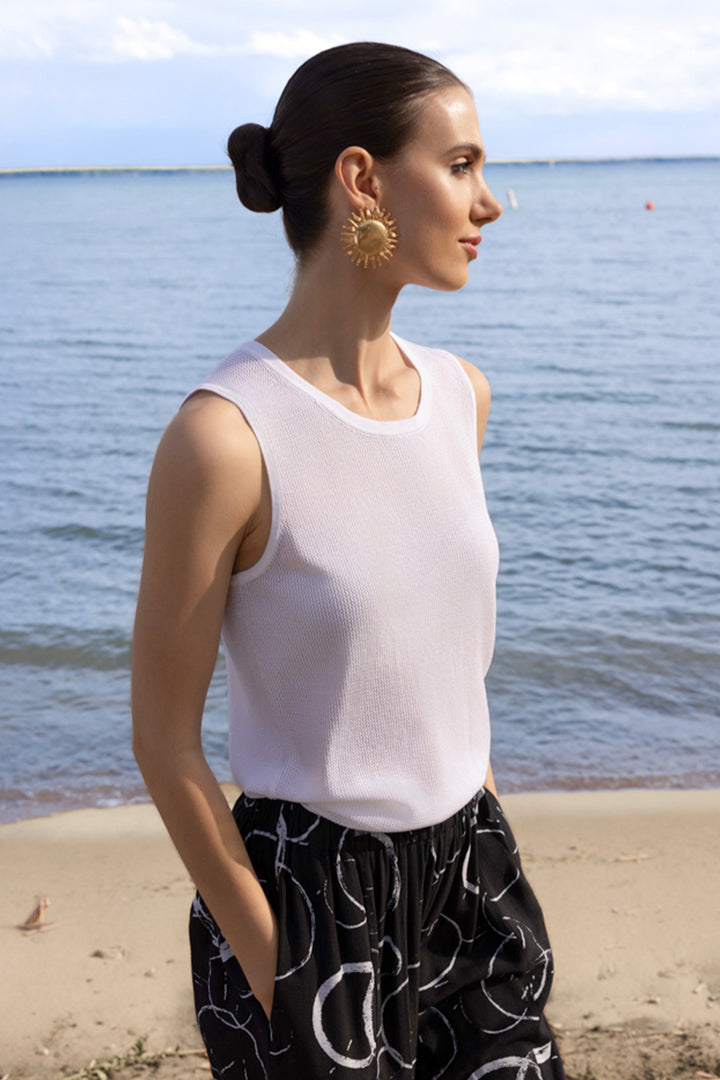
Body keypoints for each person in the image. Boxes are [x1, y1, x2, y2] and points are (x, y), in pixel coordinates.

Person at [132, 41, 566, 1080]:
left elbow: (444, 671)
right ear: (363, 179)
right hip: (307, 896)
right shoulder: (226, 437)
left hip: (472, 869)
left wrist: (486, 842)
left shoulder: (463, 396)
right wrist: (279, 966)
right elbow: (162, 739)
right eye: (459, 165)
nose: (489, 201)